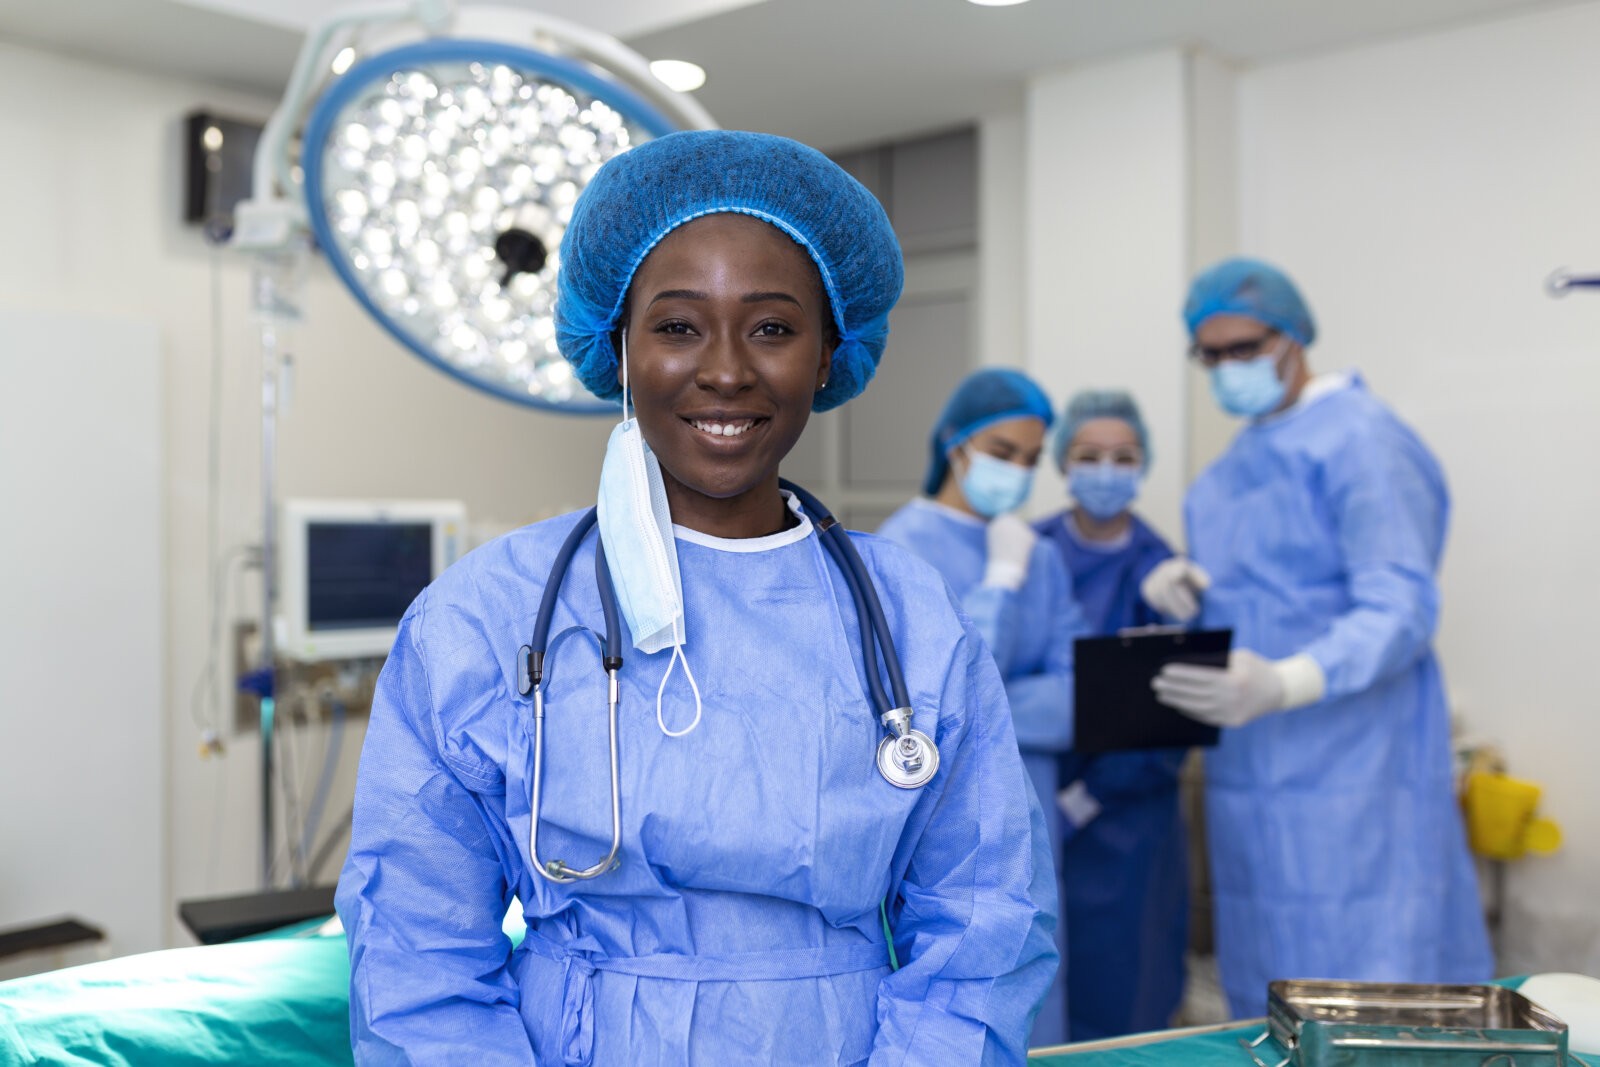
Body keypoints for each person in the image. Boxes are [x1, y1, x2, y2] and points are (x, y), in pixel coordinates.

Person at [336, 130, 1058, 1066]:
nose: (725, 369)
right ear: (619, 347)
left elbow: (982, 929)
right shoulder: (487, 614)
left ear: (831, 353)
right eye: (677, 326)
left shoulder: (911, 617)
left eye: (772, 327)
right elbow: (415, 953)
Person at [1146, 257, 1492, 1018]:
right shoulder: (1236, 465)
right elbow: (1265, 598)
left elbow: (1400, 605)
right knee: (1270, 980)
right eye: (1213, 355)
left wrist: (1285, 681)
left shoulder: (1361, 442)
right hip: (1253, 772)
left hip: (1356, 768)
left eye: (1246, 348)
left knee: (1370, 981)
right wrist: (1189, 587)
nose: (1229, 368)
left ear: (1293, 337)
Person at [877, 367, 1084, 1047]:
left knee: (1027, 959)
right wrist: (998, 584)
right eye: (1002, 451)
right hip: (934, 812)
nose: (1017, 471)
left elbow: (1075, 692)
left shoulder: (1041, 556)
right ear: (954, 444)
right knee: (951, 986)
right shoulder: (897, 550)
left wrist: (988, 700)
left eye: (1030, 459)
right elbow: (922, 710)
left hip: (1034, 801)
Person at [1033, 390, 1188, 1041]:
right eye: (1088, 455)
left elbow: (1175, 706)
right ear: (1063, 462)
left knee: (1128, 985)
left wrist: (1092, 795)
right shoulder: (1032, 552)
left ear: (1143, 464)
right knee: (1038, 974)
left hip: (1131, 818)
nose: (1105, 470)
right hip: (1036, 789)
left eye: (1121, 457)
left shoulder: (1163, 570)